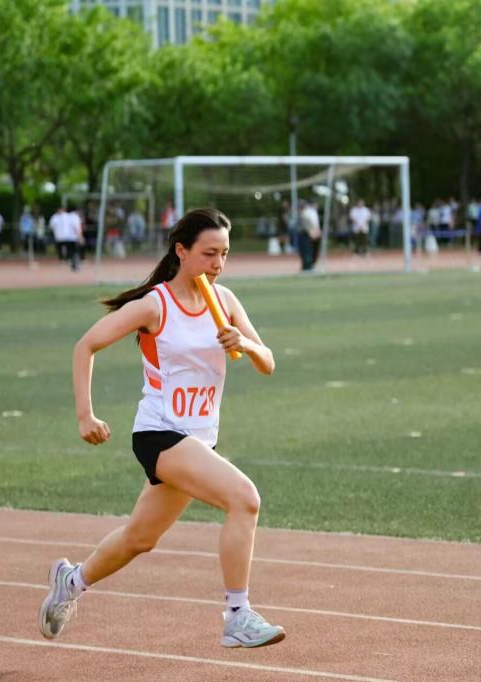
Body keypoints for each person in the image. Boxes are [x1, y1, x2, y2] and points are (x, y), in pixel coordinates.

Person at [37, 207, 285, 649]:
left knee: (140, 538)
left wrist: (245, 343)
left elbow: (268, 363)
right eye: (209, 253)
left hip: (199, 440)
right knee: (244, 498)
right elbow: (86, 345)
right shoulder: (156, 304)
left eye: (224, 254)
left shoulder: (225, 302)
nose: (218, 263)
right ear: (181, 251)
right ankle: (237, 617)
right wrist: (85, 415)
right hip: (160, 434)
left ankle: (69, 582)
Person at [297, 199, 321, 271]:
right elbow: (308, 225)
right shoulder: (307, 212)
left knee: (310, 251)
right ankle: (307, 267)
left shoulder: (311, 212)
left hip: (311, 234)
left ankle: (309, 266)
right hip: (307, 234)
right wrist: (312, 233)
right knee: (307, 251)